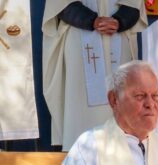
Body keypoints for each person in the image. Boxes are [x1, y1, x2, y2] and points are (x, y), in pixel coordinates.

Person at [42, 0, 147, 151]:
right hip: (79, 33)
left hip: (118, 34)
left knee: (120, 96)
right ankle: (78, 154)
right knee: (79, 98)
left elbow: (134, 4)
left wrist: (120, 21)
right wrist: (91, 20)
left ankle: (122, 150)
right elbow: (61, 5)